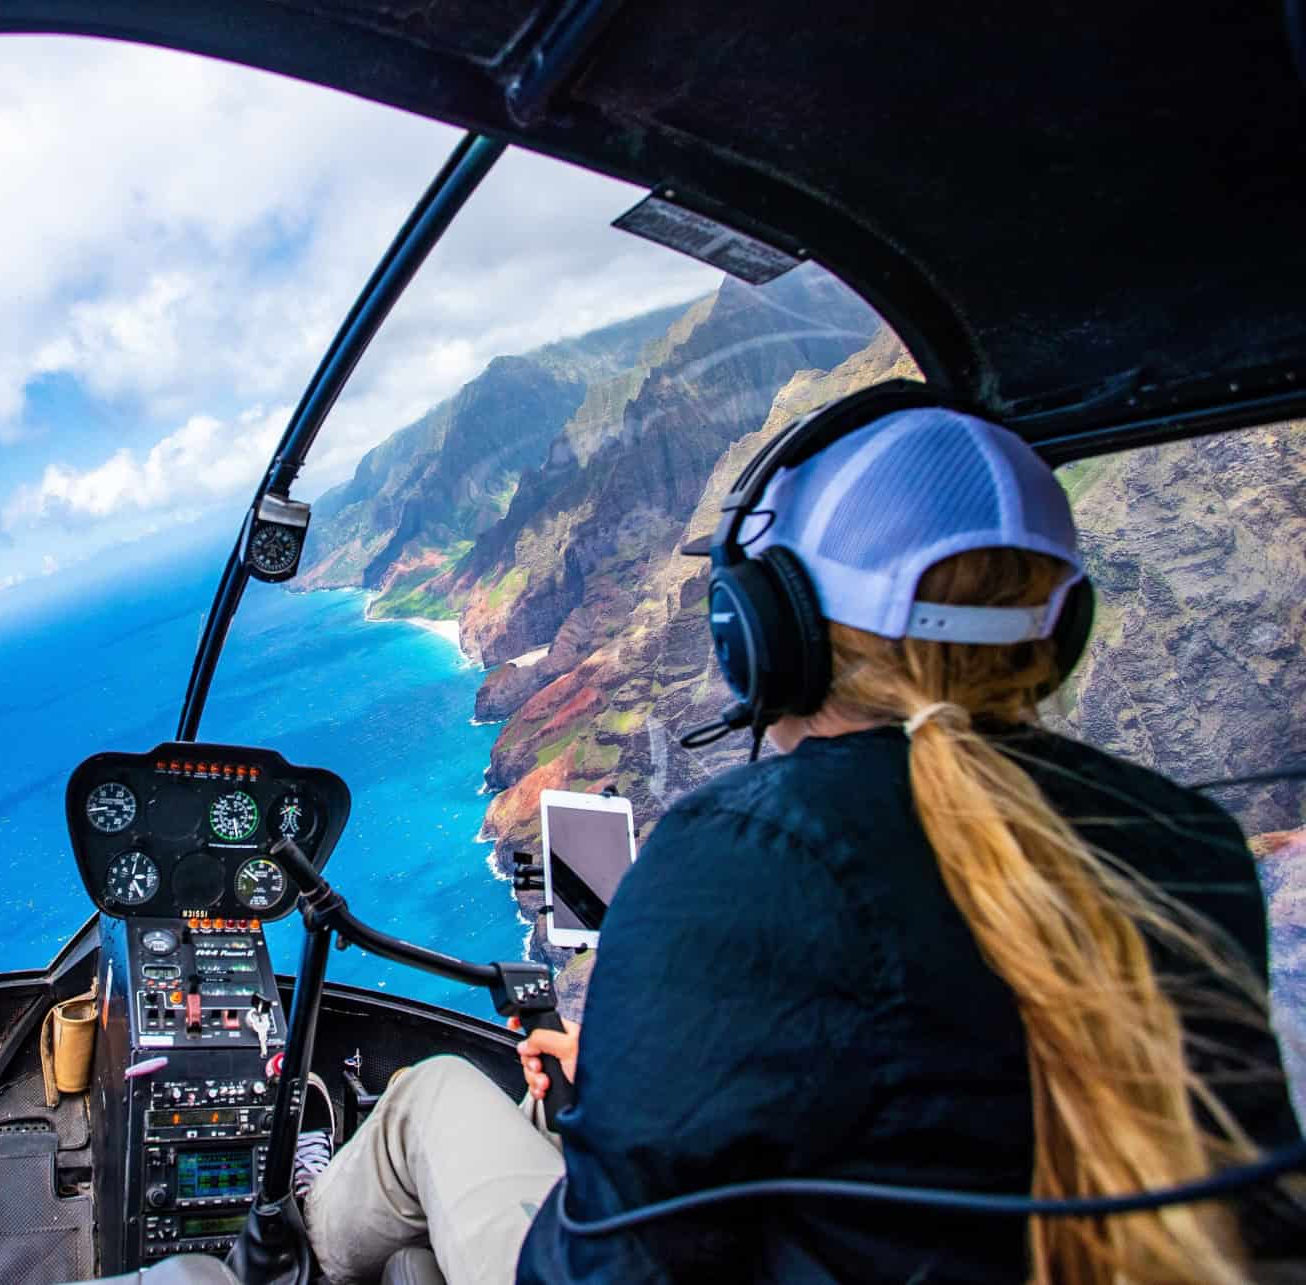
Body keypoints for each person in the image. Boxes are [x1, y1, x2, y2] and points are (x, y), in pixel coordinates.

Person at [296, 404, 1302, 1284]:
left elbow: (605, 1266)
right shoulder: (1191, 844)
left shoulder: (741, 858)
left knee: (426, 1100)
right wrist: (635, 1077)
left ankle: (287, 1248)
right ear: (1059, 630)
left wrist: (623, 1108)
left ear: (771, 636)